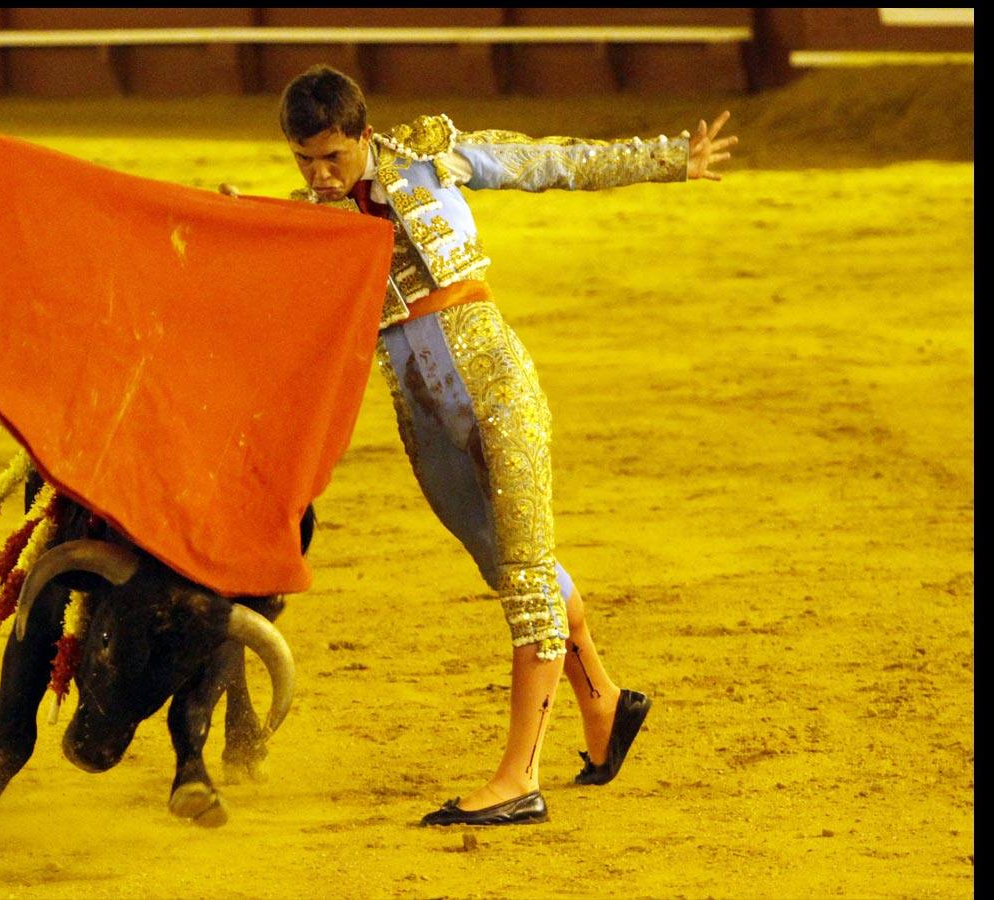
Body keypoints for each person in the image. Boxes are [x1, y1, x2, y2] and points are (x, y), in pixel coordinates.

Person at [222, 65, 736, 826]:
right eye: (304, 162)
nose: (320, 175)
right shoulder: (314, 221)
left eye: (332, 157)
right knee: (512, 570)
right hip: (425, 422)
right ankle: (603, 706)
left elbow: (550, 161)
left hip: (496, 388)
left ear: (364, 134)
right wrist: (237, 217)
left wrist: (668, 159)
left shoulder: (432, 156)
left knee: (527, 578)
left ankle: (517, 780)